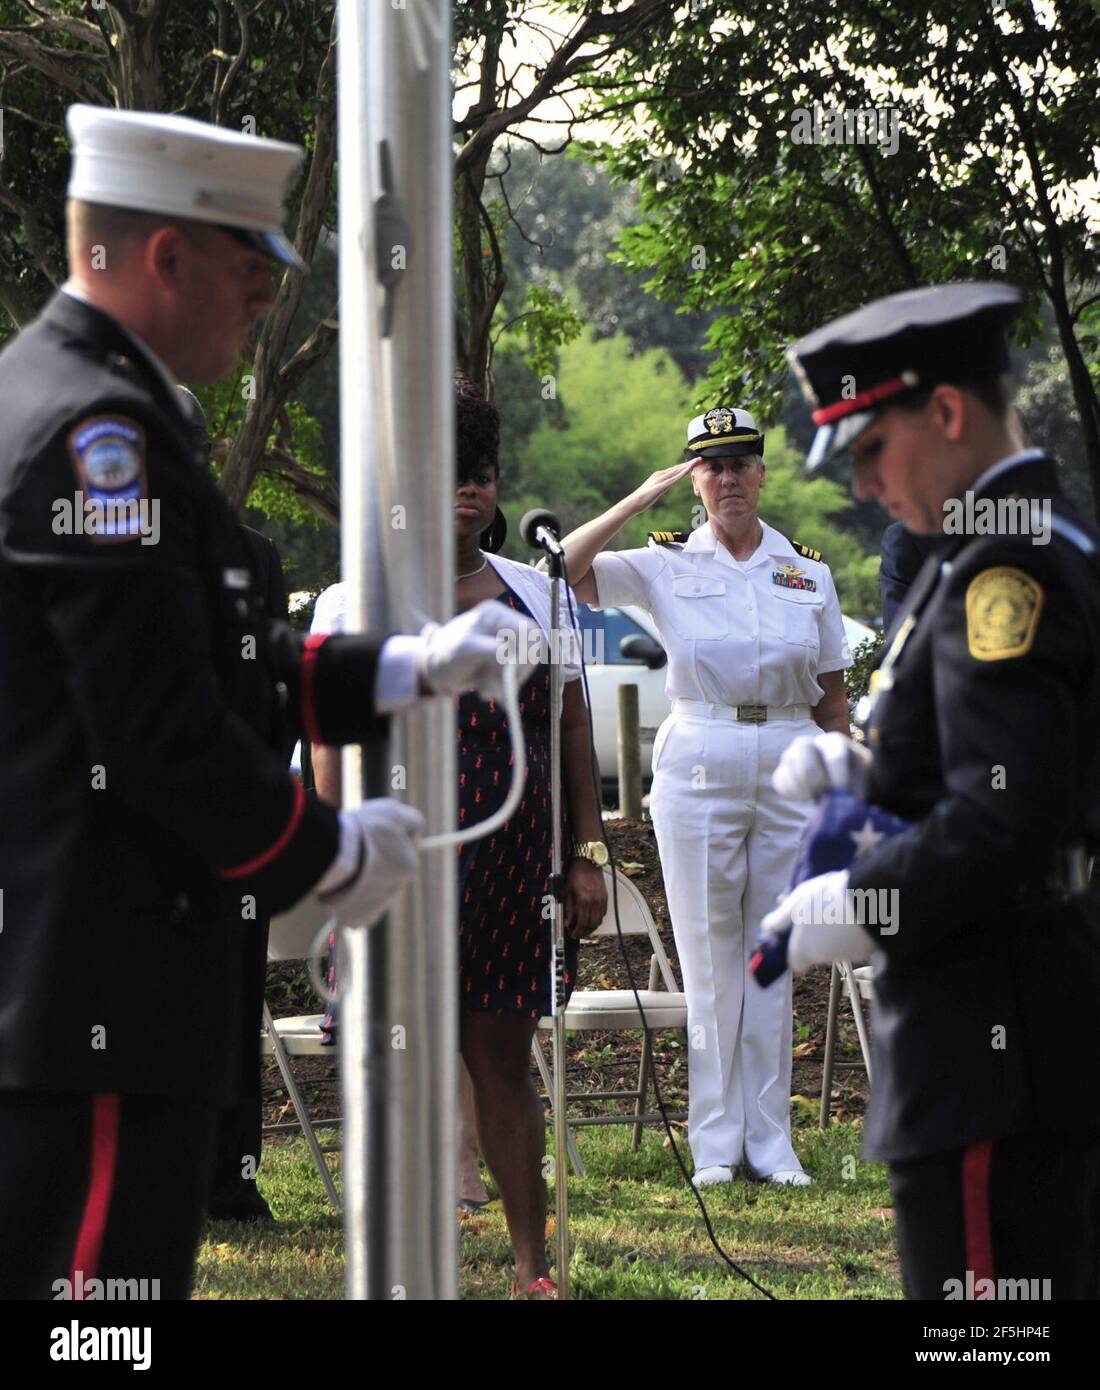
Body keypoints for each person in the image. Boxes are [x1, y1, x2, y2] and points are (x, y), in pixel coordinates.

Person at [0, 106, 535, 1299]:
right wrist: (326, 854)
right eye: (250, 269)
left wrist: (393, 670)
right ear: (165, 256)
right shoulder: (97, 432)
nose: (261, 301)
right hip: (96, 974)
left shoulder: (101, 404)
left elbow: (211, 653)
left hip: (118, 972)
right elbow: (148, 723)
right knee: (93, 1318)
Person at [766, 281, 1100, 1298]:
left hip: (992, 1059)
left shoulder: (1003, 566)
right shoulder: (1020, 545)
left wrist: (863, 902)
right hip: (1029, 1043)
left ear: (944, 413)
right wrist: (867, 770)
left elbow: (1002, 816)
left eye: (869, 449)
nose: (865, 486)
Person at [312, 376, 608, 1298]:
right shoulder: (354, 596)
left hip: (512, 869)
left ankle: (529, 1269)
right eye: (451, 474)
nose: (470, 491)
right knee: (394, 1075)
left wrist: (586, 854)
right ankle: (396, 1269)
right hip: (396, 869)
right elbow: (328, 731)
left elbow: (569, 727)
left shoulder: (535, 596)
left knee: (504, 1065)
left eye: (482, 474)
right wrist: (333, 858)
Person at [554, 407, 852, 1187]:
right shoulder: (665, 563)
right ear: (695, 478)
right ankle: (717, 1144)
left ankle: (772, 1142)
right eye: (708, 467)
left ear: (761, 472)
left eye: (738, 464)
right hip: (701, 757)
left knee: (769, 957)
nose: (726, 480)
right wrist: (638, 499)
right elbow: (566, 569)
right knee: (709, 959)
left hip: (790, 755)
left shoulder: (806, 572)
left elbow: (832, 700)